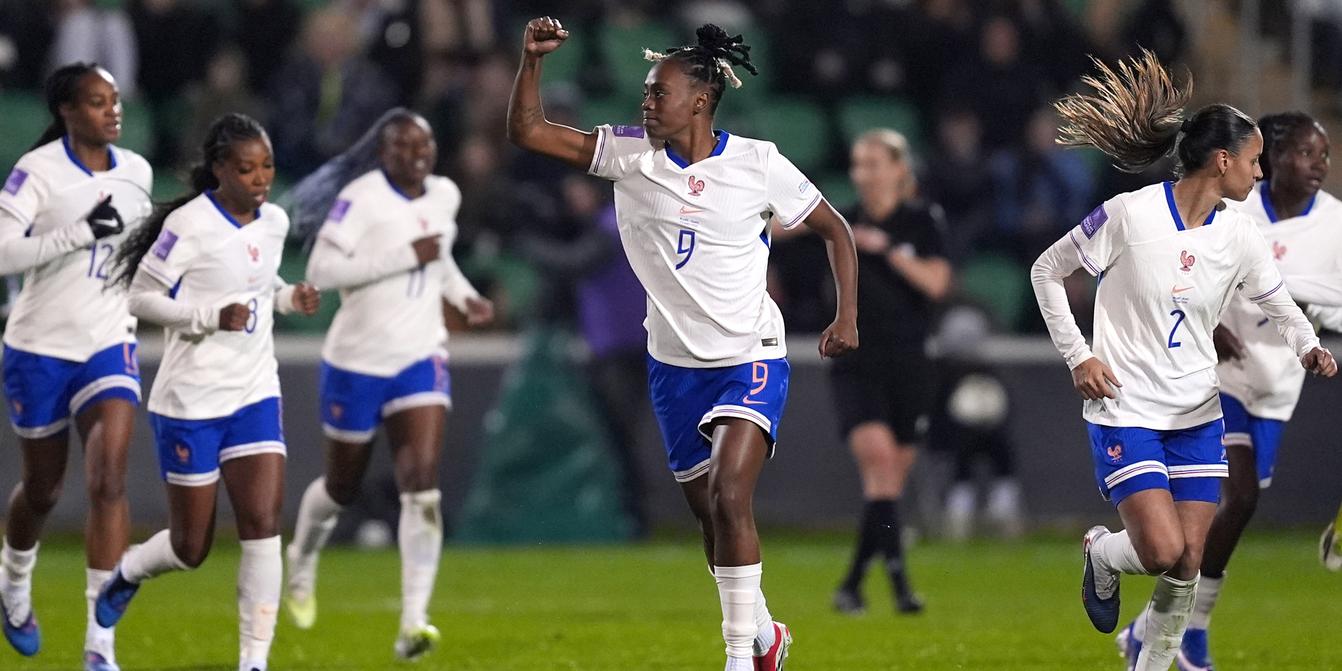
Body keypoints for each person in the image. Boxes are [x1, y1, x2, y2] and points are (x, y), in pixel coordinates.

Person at [506, 17, 859, 671]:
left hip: (750, 353)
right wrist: (531, 62)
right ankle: (763, 633)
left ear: (699, 101)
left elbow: (836, 229)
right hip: (673, 364)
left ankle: (736, 658)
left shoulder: (758, 162)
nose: (645, 103)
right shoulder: (628, 153)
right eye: (645, 92)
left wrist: (847, 317)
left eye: (657, 93)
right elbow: (527, 132)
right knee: (710, 517)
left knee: (730, 494)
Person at [1029, 50, 1336, 671]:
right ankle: (1102, 553)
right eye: (1254, 161)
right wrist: (1078, 356)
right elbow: (1046, 271)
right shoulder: (1129, 215)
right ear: (1222, 161)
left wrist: (1307, 346)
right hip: (1126, 408)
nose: (1260, 172)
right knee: (1164, 549)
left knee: (1190, 562)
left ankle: (1152, 664)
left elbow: (1276, 300)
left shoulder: (1238, 233)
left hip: (1198, 412)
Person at [94, 112, 320, 671]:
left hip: (253, 392)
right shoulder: (190, 224)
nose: (260, 178)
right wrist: (206, 316)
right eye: (246, 168)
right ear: (220, 169)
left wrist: (290, 298)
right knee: (191, 547)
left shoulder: (273, 222)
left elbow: (261, 283)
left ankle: (253, 662)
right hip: (191, 400)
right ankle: (129, 571)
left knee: (264, 523)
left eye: (266, 166)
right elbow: (140, 297)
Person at [1117, 111, 1342, 669]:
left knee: (1232, 512)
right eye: (1309, 153)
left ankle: (1152, 626)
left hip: (1277, 384)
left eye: (1326, 156)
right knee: (1239, 495)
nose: (1321, 166)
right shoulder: (1233, 206)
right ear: (1272, 156)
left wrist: (1318, 315)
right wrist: (1205, 316)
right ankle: (1188, 632)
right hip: (1218, 379)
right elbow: (1181, 262)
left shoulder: (1335, 225)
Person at [281, 108, 493, 661]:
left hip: (420, 356)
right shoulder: (362, 198)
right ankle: (301, 557)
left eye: (423, 146)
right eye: (402, 147)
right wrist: (403, 257)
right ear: (383, 152)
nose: (415, 156)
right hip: (357, 360)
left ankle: (414, 621)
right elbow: (322, 273)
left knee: (422, 487)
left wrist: (462, 295)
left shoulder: (445, 194)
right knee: (341, 488)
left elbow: (440, 259)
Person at [0, 62, 152, 671]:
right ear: (67, 110)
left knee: (109, 478)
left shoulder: (138, 172)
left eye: (115, 100)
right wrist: (76, 236)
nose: (112, 110)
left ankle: (100, 644)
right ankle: (13, 586)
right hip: (39, 345)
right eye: (96, 101)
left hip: (108, 341)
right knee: (43, 488)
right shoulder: (37, 172)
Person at [829, 128, 950, 616]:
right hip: (857, 363)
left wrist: (888, 250)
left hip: (910, 363)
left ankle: (854, 583)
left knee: (886, 487)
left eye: (874, 162)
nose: (864, 173)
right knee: (879, 464)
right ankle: (900, 590)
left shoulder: (922, 220)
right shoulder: (842, 219)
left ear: (899, 168)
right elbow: (784, 229)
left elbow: (937, 283)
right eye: (858, 163)